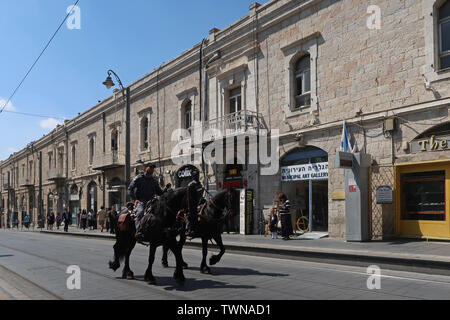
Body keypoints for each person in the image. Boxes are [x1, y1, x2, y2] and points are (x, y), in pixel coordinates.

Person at [127, 163, 165, 240]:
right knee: (140, 212)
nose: (151, 169)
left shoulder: (154, 181)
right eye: (150, 167)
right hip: (141, 200)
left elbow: (159, 192)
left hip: (152, 201)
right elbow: (130, 189)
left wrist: (166, 190)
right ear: (146, 168)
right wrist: (135, 199)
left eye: (153, 168)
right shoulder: (138, 178)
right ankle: (138, 231)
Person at [185, 168, 204, 238]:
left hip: (200, 201)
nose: (197, 177)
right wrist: (190, 207)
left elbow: (201, 193)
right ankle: (189, 229)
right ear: (193, 176)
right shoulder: (191, 184)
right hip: (193, 203)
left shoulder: (199, 183)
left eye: (198, 175)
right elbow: (189, 197)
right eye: (196, 175)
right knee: (191, 215)